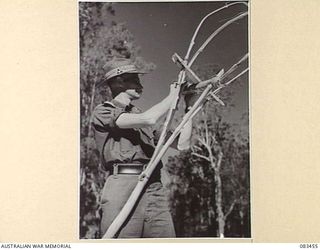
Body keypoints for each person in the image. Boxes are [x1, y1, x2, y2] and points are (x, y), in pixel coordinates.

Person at [91, 57, 193, 238]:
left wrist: (189, 105)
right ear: (119, 81)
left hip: (154, 186)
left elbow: (182, 144)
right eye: (135, 79)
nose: (141, 85)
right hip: (123, 186)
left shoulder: (140, 115)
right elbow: (149, 118)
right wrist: (172, 96)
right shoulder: (103, 111)